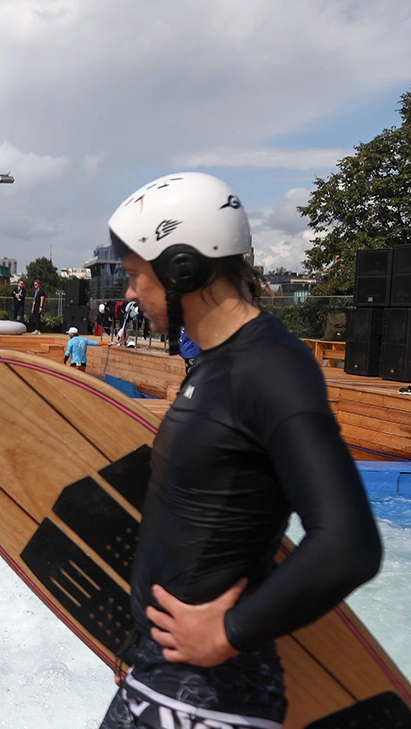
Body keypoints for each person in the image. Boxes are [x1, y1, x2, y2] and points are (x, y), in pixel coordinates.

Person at [98, 171, 381, 729]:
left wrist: (227, 634)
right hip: (163, 678)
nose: (129, 293)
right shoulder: (216, 364)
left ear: (183, 267)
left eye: (135, 276)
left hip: (210, 697)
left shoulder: (271, 368)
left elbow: (349, 544)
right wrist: (138, 644)